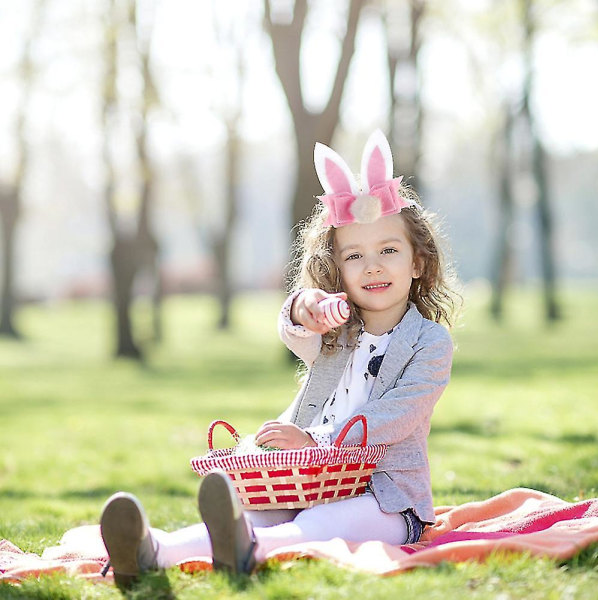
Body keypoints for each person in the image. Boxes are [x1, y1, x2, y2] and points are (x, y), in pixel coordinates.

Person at [99, 129, 459, 587]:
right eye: (354, 256)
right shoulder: (338, 332)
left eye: (389, 250)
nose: (372, 266)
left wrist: (320, 444)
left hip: (385, 498)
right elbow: (296, 333)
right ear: (339, 271)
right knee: (260, 513)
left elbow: (395, 415)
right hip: (308, 482)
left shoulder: (428, 343)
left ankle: (246, 548)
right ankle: (152, 550)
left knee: (322, 527)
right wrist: (302, 308)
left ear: (418, 263)